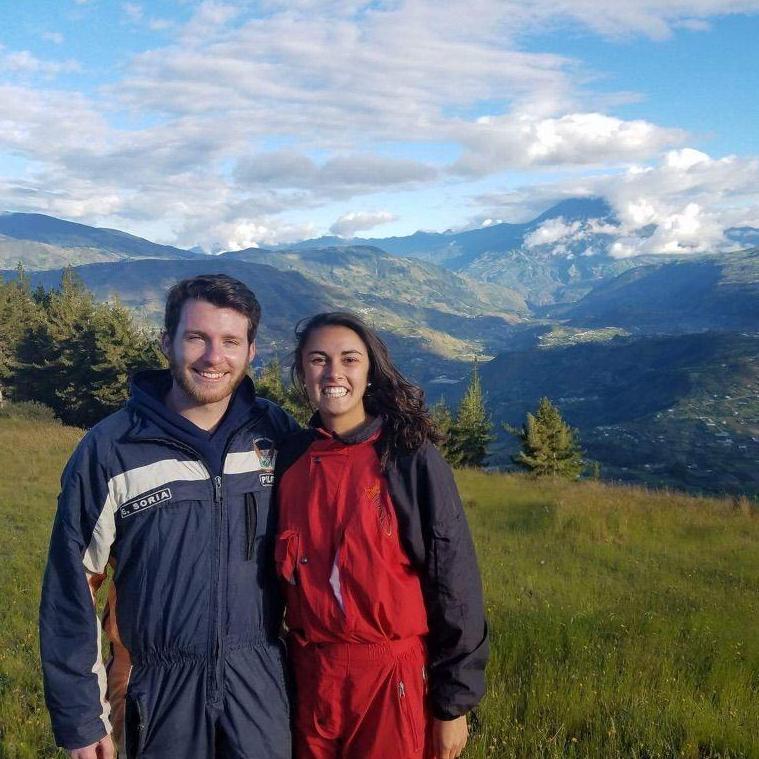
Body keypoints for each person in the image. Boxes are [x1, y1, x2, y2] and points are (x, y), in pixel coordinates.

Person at [40, 274, 299, 759]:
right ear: (167, 343)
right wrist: (79, 717)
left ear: (251, 351)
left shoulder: (275, 435)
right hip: (153, 689)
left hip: (261, 682)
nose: (212, 357)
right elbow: (71, 585)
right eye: (196, 337)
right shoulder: (111, 449)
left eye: (230, 341)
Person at [274, 312, 488, 759]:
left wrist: (454, 704)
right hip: (310, 676)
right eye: (318, 360)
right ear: (302, 372)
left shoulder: (407, 457)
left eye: (349, 359)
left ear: (369, 370)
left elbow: (454, 580)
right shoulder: (289, 459)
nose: (334, 373)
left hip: (391, 675)